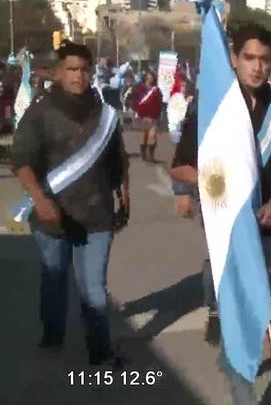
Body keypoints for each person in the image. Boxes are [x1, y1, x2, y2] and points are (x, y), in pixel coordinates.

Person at [171, 23, 271, 354]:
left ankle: (232, 325)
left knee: (247, 283)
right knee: (229, 281)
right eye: (249, 58)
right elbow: (180, 165)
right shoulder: (211, 106)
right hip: (223, 213)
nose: (257, 67)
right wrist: (214, 184)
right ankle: (228, 328)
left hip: (267, 219)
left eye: (264, 59)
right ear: (234, 58)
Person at [12, 40, 129, 366]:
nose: (78, 76)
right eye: (71, 69)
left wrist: (124, 198)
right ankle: (52, 334)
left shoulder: (105, 113)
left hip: (97, 216)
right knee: (55, 279)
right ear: (58, 73)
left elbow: (117, 161)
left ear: (91, 72)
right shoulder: (40, 112)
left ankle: (99, 351)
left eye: (83, 70)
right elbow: (21, 161)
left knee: (93, 287)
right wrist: (40, 200)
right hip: (53, 216)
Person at [131, 71, 163, 162]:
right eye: (149, 77)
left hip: (152, 117)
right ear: (145, 78)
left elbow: (159, 103)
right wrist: (140, 114)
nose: (151, 79)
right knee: (143, 137)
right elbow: (134, 103)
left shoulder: (156, 90)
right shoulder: (138, 89)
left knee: (152, 136)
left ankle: (151, 155)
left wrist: (156, 115)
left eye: (152, 77)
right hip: (141, 117)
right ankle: (143, 153)